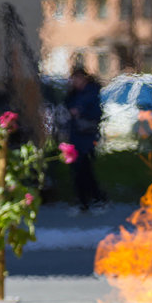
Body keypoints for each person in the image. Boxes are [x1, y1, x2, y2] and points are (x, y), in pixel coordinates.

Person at [64, 65, 106, 212]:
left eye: (77, 78)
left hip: (86, 136)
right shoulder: (74, 94)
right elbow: (67, 107)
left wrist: (80, 112)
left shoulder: (91, 93)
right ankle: (89, 198)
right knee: (81, 169)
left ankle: (89, 198)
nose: (75, 82)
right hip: (75, 136)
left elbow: (96, 113)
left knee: (83, 168)